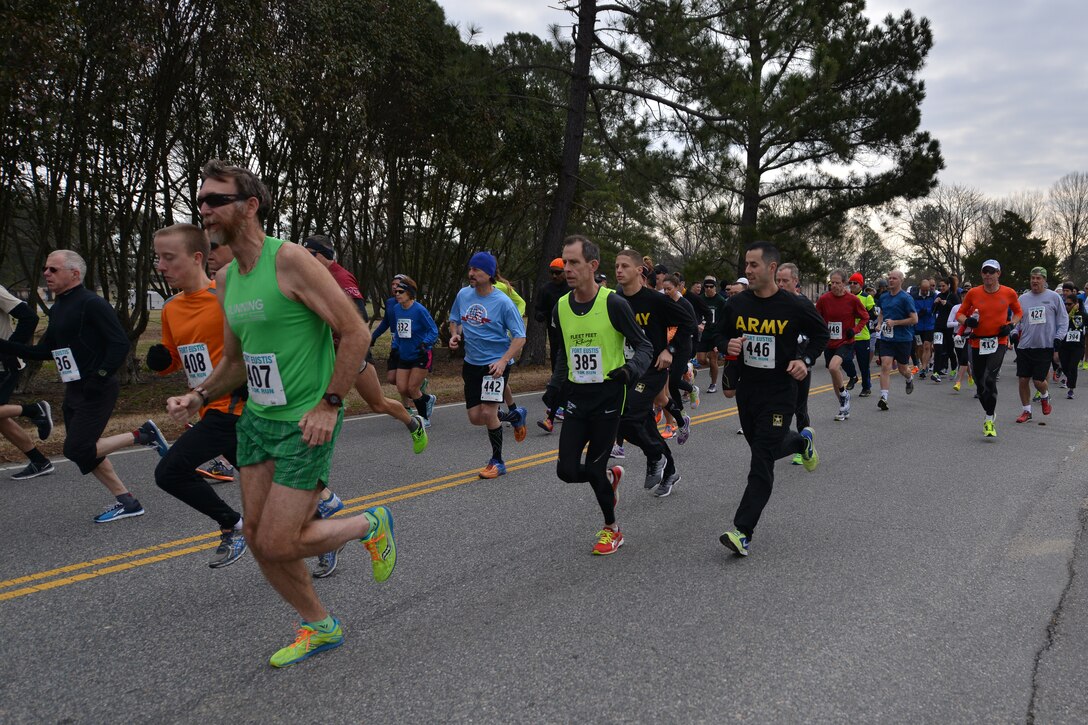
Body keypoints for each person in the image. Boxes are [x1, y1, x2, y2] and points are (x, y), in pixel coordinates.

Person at [167, 160, 395, 667]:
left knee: (276, 539)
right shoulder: (226, 280)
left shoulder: (289, 260)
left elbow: (355, 331)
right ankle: (321, 626)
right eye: (200, 199)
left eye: (215, 199)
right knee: (255, 537)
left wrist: (330, 403)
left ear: (249, 206)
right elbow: (234, 361)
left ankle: (370, 525)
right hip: (258, 421)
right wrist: (200, 396)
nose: (203, 208)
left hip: (304, 422)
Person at [0, 250, 165, 522]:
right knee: (86, 452)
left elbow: (119, 344)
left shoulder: (92, 303)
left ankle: (142, 435)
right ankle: (127, 501)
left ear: (74, 274)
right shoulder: (60, 307)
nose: (46, 274)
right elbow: (47, 351)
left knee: (77, 450)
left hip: (97, 388)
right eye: (45, 269)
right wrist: (5, 347)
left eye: (53, 269)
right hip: (74, 388)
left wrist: (99, 376)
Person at [304, 239, 426, 579]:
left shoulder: (340, 276)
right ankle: (323, 517)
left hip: (346, 356)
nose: (305, 260)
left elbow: (354, 319)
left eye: (310, 255)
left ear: (325, 257)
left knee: (373, 402)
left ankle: (412, 422)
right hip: (321, 359)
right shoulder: (309, 275)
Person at [145, 223, 248, 568]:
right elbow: (177, 359)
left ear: (198, 258)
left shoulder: (226, 295)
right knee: (273, 484)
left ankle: (233, 524)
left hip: (235, 407)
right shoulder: (172, 308)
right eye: (158, 258)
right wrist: (162, 361)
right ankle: (325, 526)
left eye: (169, 257)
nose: (161, 266)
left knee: (170, 472)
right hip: (206, 405)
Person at [718, 242, 829, 557]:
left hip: (780, 393)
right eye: (746, 265)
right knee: (761, 446)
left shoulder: (794, 305)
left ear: (770, 268)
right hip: (749, 391)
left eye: (753, 265)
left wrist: (804, 361)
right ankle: (800, 443)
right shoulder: (737, 305)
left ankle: (742, 531)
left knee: (762, 458)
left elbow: (821, 334)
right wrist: (729, 345)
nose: (748, 271)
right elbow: (716, 335)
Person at [543, 235, 652, 554]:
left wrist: (630, 371)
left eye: (574, 262)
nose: (567, 269)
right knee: (566, 471)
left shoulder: (613, 303)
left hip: (608, 394)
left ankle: (612, 529)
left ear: (592, 266)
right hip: (577, 395)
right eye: (565, 262)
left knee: (591, 468)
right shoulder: (561, 305)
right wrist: (554, 385)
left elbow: (644, 346)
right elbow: (564, 351)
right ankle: (608, 477)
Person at [614, 250, 697, 497]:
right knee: (644, 424)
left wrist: (669, 349)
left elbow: (688, 324)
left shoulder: (656, 300)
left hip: (653, 369)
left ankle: (654, 457)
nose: (619, 270)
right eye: (616, 265)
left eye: (625, 266)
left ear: (639, 270)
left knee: (628, 418)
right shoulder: (615, 301)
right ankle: (669, 467)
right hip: (627, 370)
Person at [448, 251, 528, 478]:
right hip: (472, 363)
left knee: (488, 412)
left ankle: (498, 461)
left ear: (489, 274)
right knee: (476, 417)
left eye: (476, 270)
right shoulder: (463, 295)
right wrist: (455, 335)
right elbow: (455, 319)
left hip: (495, 365)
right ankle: (514, 416)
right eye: (470, 269)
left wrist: (504, 361)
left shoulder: (503, 303)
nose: (471, 274)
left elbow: (520, 336)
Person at [955, 259, 1022, 438]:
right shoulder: (973, 293)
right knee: (980, 386)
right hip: (977, 342)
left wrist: (1011, 325)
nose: (988, 275)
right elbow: (959, 313)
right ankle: (989, 411)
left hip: (998, 341)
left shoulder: (1009, 293)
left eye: (991, 272)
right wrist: (967, 321)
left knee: (990, 379)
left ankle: (989, 418)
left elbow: (1018, 312)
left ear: (998, 274)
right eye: (985, 271)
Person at [0, 284, 54, 479]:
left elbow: (29, 317)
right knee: (1, 419)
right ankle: (40, 461)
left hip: (3, 365)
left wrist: (9, 349)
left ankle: (34, 410)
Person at [1011, 267, 1066, 423]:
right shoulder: (1022, 299)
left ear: (1044, 280)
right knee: (1022, 380)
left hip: (1045, 345)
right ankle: (1026, 411)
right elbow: (1016, 320)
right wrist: (1014, 333)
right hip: (1025, 346)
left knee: (1038, 381)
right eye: (1033, 278)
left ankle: (1044, 395)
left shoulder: (1054, 297)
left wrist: (1058, 338)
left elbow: (1063, 321)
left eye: (1038, 278)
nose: (1035, 281)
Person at [815, 269, 869, 421]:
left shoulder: (852, 300)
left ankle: (844, 395)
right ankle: (843, 407)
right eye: (832, 283)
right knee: (833, 373)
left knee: (833, 367)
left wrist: (855, 330)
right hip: (829, 341)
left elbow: (865, 317)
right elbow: (816, 317)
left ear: (844, 284)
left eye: (838, 283)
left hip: (846, 341)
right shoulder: (824, 299)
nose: (834, 285)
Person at [775, 262, 815, 463]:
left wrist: (805, 358)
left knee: (799, 409)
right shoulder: (772, 304)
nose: (781, 284)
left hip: (799, 368)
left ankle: (803, 444)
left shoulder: (804, 305)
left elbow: (819, 334)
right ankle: (784, 442)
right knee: (778, 410)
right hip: (778, 369)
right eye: (778, 280)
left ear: (796, 281)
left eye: (785, 281)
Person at [874, 270, 918, 411]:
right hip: (887, 339)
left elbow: (914, 319)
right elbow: (881, 312)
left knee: (902, 368)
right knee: (885, 365)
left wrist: (895, 322)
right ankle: (884, 398)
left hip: (903, 338)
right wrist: (879, 324)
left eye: (894, 278)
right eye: (889, 278)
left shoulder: (906, 298)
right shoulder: (884, 297)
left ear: (901, 281)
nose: (890, 280)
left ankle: (909, 377)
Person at [535, 257, 570, 432]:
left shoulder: (573, 288)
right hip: (557, 339)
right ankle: (557, 409)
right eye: (552, 273)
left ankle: (559, 408)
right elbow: (537, 310)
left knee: (566, 377)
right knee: (558, 376)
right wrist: (541, 315)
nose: (555, 276)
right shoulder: (546, 289)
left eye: (558, 273)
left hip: (576, 340)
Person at [838, 272, 876, 396]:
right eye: (851, 283)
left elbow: (872, 315)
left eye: (856, 283)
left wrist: (858, 314)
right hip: (848, 336)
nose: (853, 285)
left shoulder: (866, 297)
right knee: (843, 359)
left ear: (861, 284)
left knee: (863, 364)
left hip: (862, 335)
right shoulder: (846, 296)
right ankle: (853, 376)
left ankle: (866, 387)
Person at [696, 277, 729, 393]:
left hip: (715, 334)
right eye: (706, 287)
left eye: (711, 287)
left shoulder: (720, 301)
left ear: (715, 288)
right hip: (703, 333)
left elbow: (724, 318)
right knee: (700, 360)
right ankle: (711, 367)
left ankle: (713, 384)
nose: (709, 289)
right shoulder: (700, 299)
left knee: (713, 358)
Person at [1058, 282, 1085, 398]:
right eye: (1066, 304)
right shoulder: (1062, 314)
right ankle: (1066, 376)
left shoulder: (1083, 314)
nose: (1067, 306)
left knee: (1073, 366)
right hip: (1064, 345)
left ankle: (1071, 388)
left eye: (1070, 304)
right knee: (1064, 366)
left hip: (1078, 346)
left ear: (1076, 304)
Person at [931, 276, 961, 383]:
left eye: (943, 286)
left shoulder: (953, 296)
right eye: (940, 286)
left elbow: (958, 310)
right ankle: (936, 372)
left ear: (948, 285)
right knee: (938, 349)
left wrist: (946, 304)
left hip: (949, 326)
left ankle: (953, 367)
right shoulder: (939, 295)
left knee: (949, 349)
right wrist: (935, 303)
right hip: (939, 326)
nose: (941, 288)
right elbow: (933, 311)